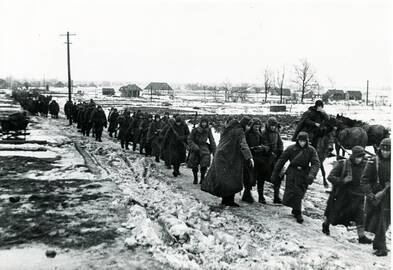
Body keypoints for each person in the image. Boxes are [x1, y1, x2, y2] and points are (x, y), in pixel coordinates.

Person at [322, 146, 372, 244]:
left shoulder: (366, 166)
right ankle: (326, 224)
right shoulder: (343, 164)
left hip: (358, 195)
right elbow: (330, 177)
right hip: (343, 195)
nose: (359, 159)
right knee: (334, 214)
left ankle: (361, 236)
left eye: (361, 157)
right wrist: (343, 180)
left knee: (360, 215)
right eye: (357, 157)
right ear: (353, 156)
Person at [201, 116, 254, 207]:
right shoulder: (239, 131)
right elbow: (243, 144)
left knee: (226, 179)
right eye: (249, 126)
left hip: (222, 156)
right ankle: (228, 201)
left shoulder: (229, 128)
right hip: (228, 158)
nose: (249, 128)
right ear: (245, 125)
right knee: (231, 179)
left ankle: (227, 200)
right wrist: (249, 157)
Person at [271, 132, 320, 223]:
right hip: (292, 173)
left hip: (304, 173)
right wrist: (275, 174)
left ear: (307, 141)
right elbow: (281, 161)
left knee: (300, 193)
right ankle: (298, 212)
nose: (302, 143)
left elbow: (316, 163)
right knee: (294, 192)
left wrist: (312, 175)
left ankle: (295, 209)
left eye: (304, 141)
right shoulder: (291, 149)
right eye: (300, 141)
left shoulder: (311, 150)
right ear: (297, 140)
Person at [362, 138, 391, 256]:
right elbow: (364, 180)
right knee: (382, 221)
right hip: (377, 197)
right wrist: (369, 194)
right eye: (383, 149)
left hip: (389, 197)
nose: (385, 152)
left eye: (388, 150)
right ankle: (381, 247)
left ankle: (379, 244)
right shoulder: (374, 161)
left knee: (386, 221)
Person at [242, 118, 270, 204]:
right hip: (250, 158)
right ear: (252, 126)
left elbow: (267, 145)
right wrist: (251, 150)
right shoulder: (247, 134)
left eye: (258, 126)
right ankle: (247, 194)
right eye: (255, 126)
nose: (257, 128)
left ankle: (261, 196)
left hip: (260, 159)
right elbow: (244, 145)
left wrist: (262, 148)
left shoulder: (261, 135)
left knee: (261, 178)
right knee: (249, 178)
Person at [260, 117, 284, 203]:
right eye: (271, 126)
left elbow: (280, 144)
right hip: (265, 159)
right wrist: (270, 152)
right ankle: (261, 197)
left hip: (275, 159)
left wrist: (280, 152)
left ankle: (276, 197)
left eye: (274, 126)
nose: (273, 127)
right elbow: (264, 144)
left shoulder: (277, 133)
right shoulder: (263, 133)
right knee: (261, 178)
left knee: (278, 177)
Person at [187, 117, 216, 184]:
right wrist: (194, 146)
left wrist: (215, 151)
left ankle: (202, 178)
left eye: (205, 122)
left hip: (204, 147)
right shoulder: (195, 130)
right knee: (194, 164)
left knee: (204, 163)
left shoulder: (208, 130)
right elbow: (190, 139)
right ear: (200, 123)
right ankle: (195, 178)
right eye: (203, 122)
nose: (204, 124)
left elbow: (212, 140)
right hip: (195, 148)